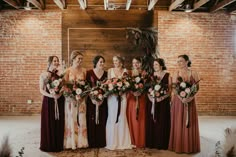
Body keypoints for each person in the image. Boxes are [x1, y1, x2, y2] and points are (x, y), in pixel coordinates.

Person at [168, 54, 200, 153]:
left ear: (187, 61)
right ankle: (178, 145)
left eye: (181, 61)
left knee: (189, 121)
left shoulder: (193, 73)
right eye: (178, 61)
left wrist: (190, 98)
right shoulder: (175, 73)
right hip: (178, 101)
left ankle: (189, 146)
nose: (179, 63)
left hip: (190, 100)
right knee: (178, 121)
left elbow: (196, 88)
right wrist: (181, 98)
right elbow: (173, 88)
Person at [105, 56, 132, 150]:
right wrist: (113, 90)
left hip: (122, 96)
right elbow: (108, 83)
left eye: (116, 60)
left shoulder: (126, 71)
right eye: (114, 61)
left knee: (121, 116)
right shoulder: (110, 70)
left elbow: (128, 84)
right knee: (112, 117)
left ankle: (122, 141)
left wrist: (122, 91)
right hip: (112, 97)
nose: (115, 62)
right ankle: (112, 141)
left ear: (121, 61)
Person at [63, 50, 88, 149]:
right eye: (79, 59)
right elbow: (64, 86)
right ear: (73, 59)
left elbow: (86, 86)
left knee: (81, 119)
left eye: (82, 59)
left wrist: (82, 96)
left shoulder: (84, 71)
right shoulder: (67, 71)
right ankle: (71, 142)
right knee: (71, 119)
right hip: (70, 100)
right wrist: (70, 96)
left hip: (81, 100)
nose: (80, 61)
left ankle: (81, 142)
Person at [39, 56, 65, 152]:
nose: (57, 62)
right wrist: (51, 96)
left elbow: (63, 86)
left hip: (60, 100)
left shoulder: (61, 74)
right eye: (54, 60)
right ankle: (49, 144)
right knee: (49, 121)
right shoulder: (44, 74)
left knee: (58, 121)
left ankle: (58, 144)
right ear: (49, 62)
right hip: (49, 101)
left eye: (57, 60)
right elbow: (41, 90)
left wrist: (60, 94)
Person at [146, 58, 171, 149]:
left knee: (161, 121)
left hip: (163, 103)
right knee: (152, 121)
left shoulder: (167, 75)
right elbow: (147, 89)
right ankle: (152, 143)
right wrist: (151, 97)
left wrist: (161, 98)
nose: (154, 66)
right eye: (154, 65)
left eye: (156, 64)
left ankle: (161, 143)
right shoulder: (151, 76)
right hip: (152, 102)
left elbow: (169, 90)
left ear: (161, 65)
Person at [86, 55, 108, 148]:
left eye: (103, 62)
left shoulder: (106, 74)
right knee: (91, 120)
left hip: (103, 101)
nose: (102, 63)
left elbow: (107, 88)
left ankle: (101, 141)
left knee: (103, 120)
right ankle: (92, 141)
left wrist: (102, 98)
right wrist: (92, 99)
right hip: (91, 101)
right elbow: (87, 87)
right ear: (96, 63)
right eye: (100, 62)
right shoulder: (89, 73)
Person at [126, 57, 146, 148]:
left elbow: (147, 86)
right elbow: (126, 86)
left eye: (137, 62)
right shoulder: (129, 73)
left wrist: (140, 91)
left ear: (140, 63)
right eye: (134, 63)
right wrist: (133, 91)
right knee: (133, 118)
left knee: (141, 118)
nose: (135, 64)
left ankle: (141, 140)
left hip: (142, 99)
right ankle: (132, 140)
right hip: (131, 99)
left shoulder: (145, 74)